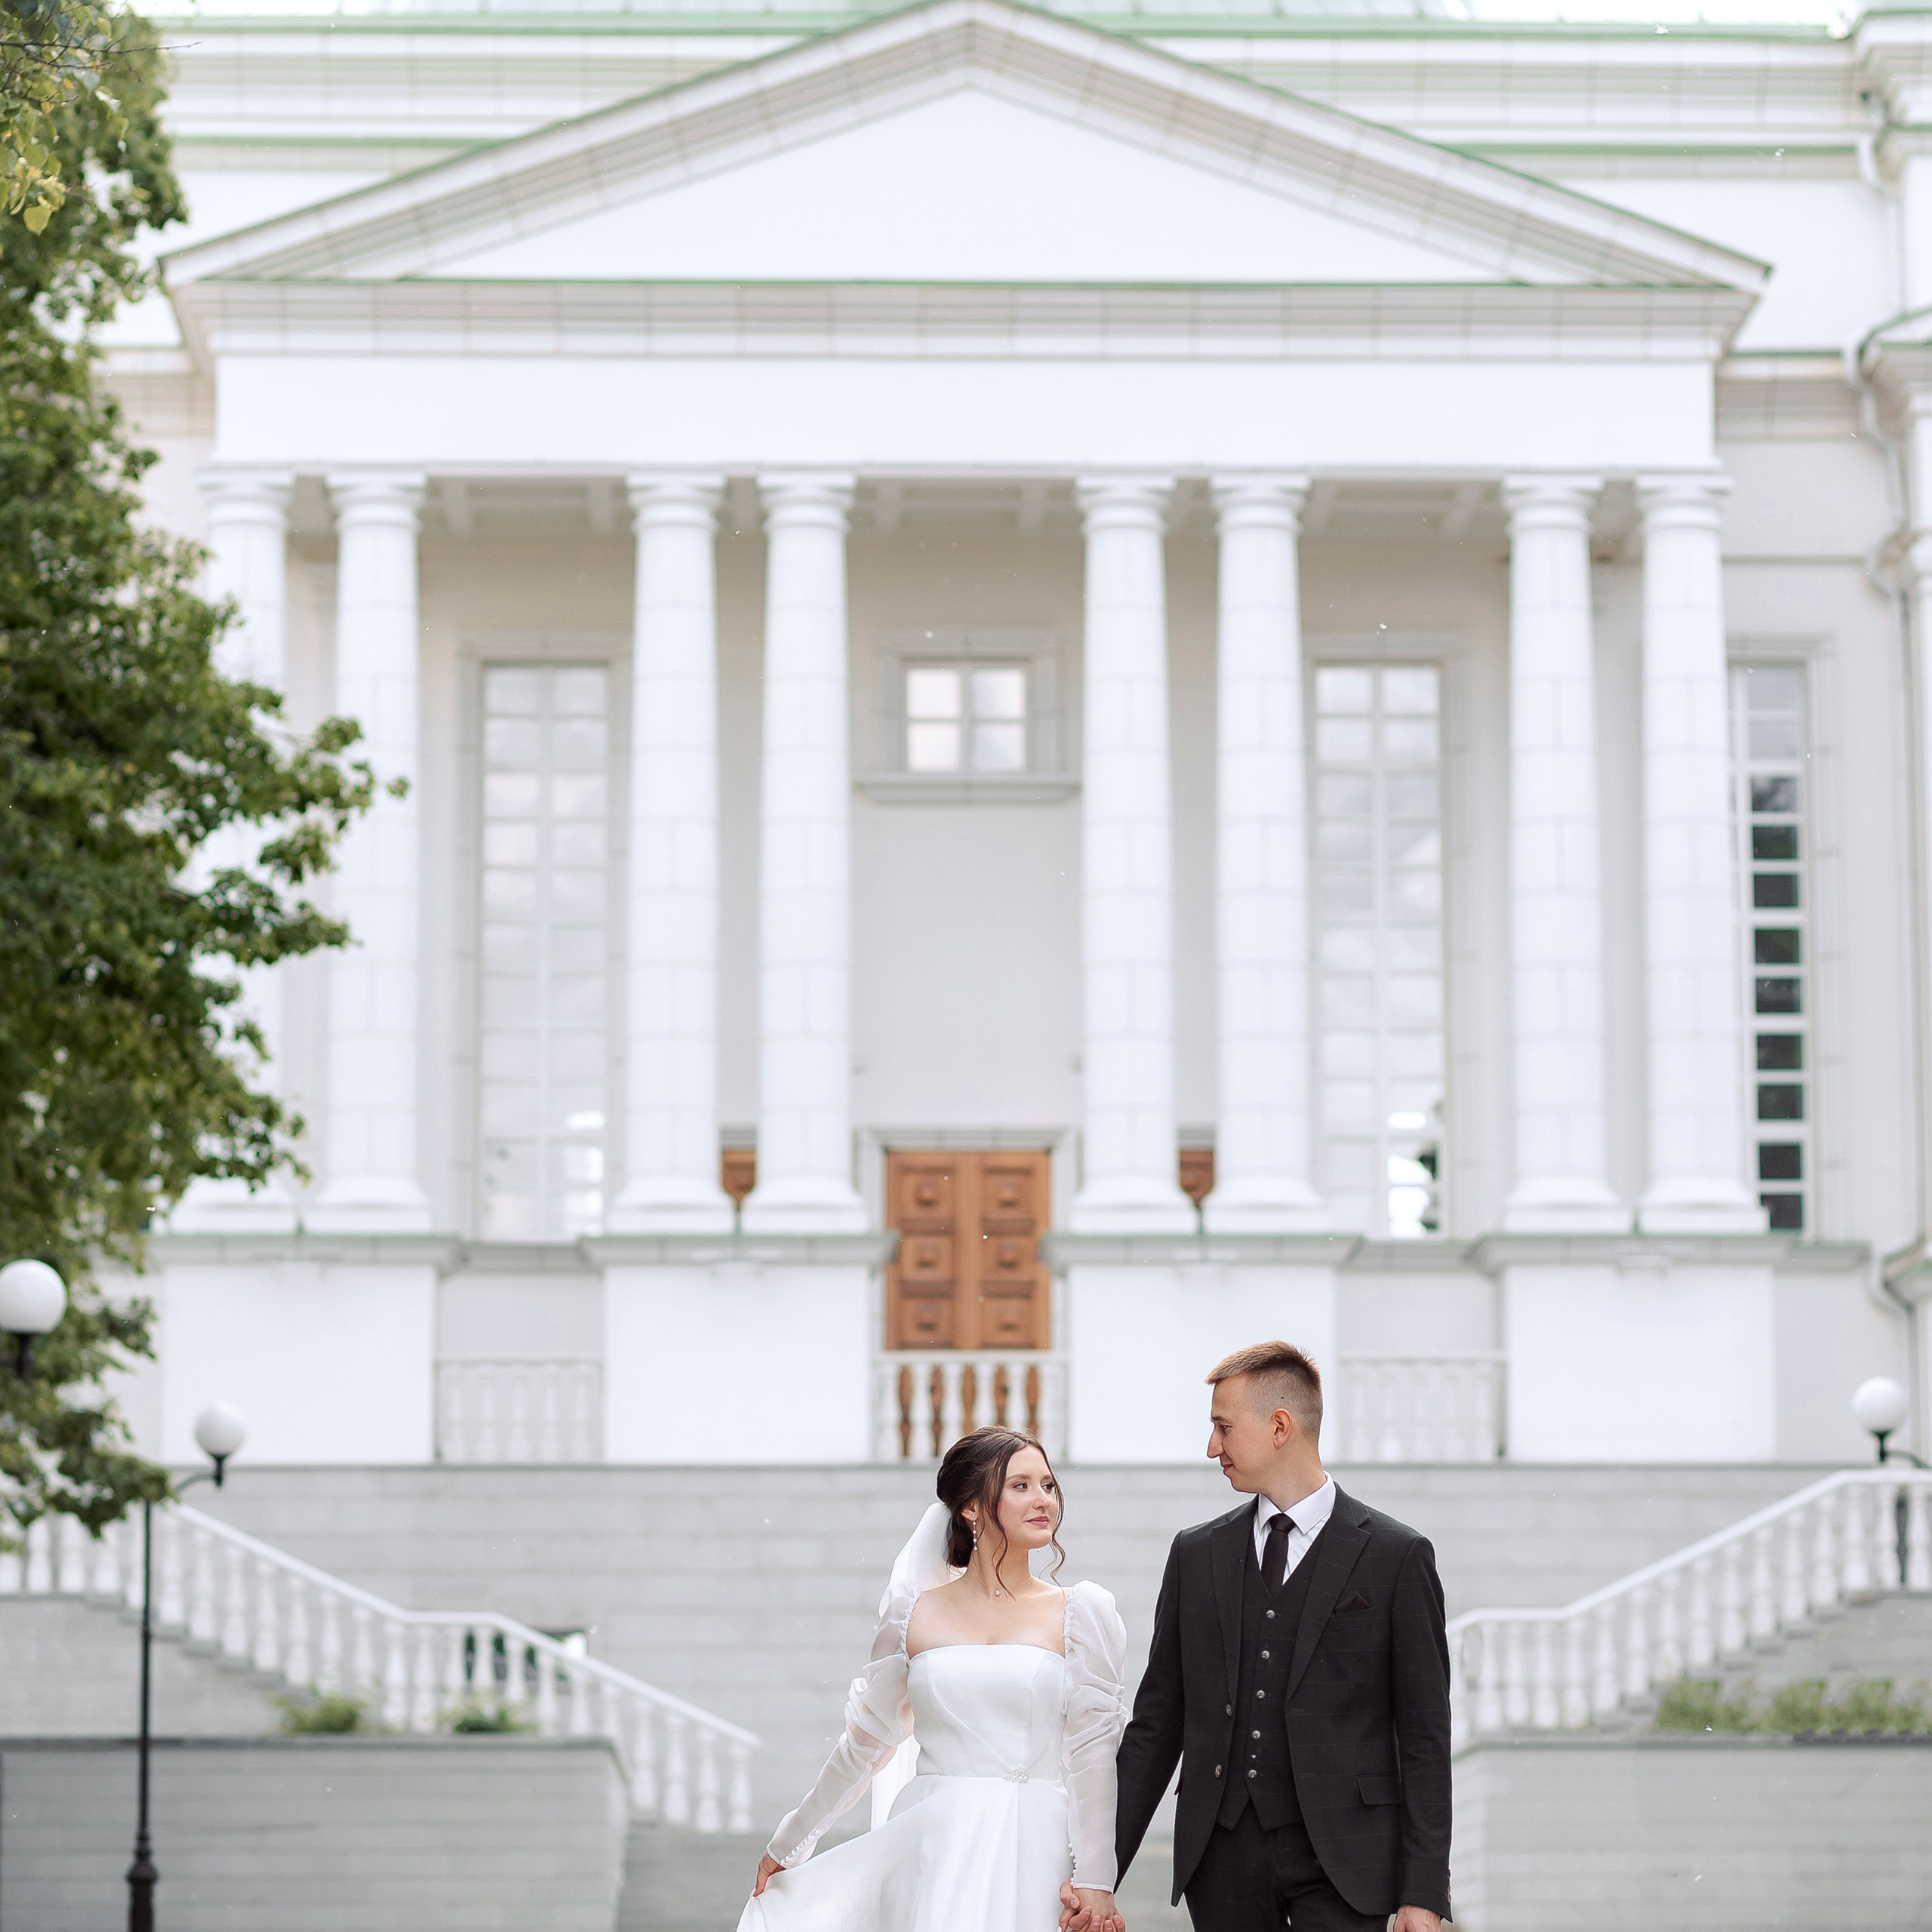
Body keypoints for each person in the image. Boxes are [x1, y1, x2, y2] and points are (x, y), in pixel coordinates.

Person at [1106, 1341, 1453, 1932]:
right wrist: (1098, 1870)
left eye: (1222, 1427)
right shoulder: (1196, 1554)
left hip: (1349, 1860)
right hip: (1222, 1856)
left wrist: (1422, 1891)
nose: (1211, 1447)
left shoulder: (1397, 1556)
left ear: (1280, 1427)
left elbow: (1423, 1735)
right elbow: (1157, 1724)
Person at [743, 1425, 1130, 1932]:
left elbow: (1093, 1757)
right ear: (970, 1507)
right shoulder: (911, 1616)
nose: (1043, 1501)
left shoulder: (1081, 1612)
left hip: (1034, 1841)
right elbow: (866, 1746)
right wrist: (790, 1842)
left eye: (1048, 1485)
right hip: (932, 1840)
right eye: (1020, 1486)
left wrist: (1097, 1879)